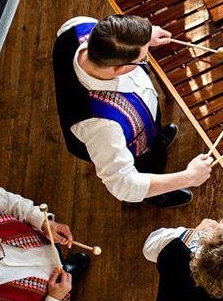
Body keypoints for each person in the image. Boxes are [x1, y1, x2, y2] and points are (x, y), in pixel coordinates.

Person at [53, 15, 212, 207]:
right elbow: (123, 184)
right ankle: (154, 196)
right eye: (141, 58)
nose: (144, 60)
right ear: (117, 68)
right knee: (151, 165)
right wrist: (188, 177)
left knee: (154, 142)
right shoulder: (102, 126)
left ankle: (155, 138)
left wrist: (144, 37)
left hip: (141, 121)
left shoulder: (79, 26)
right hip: (132, 148)